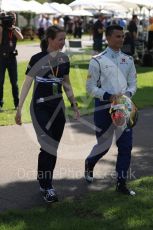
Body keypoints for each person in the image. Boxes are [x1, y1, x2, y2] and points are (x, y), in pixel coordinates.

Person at [15, 25, 80, 203]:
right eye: (60, 39)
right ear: (50, 40)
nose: (63, 42)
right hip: (40, 108)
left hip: (58, 108)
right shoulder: (37, 58)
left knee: (53, 148)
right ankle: (46, 186)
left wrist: (74, 104)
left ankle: (44, 179)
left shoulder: (64, 59)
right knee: (48, 146)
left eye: (65, 39)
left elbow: (66, 84)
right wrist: (19, 108)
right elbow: (27, 83)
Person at [85, 25, 137, 196]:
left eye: (122, 36)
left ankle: (121, 183)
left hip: (123, 108)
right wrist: (108, 96)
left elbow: (133, 84)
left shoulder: (128, 60)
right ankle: (90, 163)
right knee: (104, 146)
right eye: (117, 36)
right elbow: (90, 88)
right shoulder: (97, 60)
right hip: (103, 108)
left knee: (125, 146)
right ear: (107, 38)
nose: (121, 39)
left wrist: (126, 95)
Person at [0, 11, 23, 111]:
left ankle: (17, 104)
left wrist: (13, 29)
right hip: (1, 58)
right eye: (11, 17)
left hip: (12, 58)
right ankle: (0, 104)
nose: (13, 19)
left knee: (14, 82)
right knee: (0, 82)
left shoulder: (15, 29)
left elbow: (21, 38)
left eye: (14, 18)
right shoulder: (1, 28)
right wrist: (1, 29)